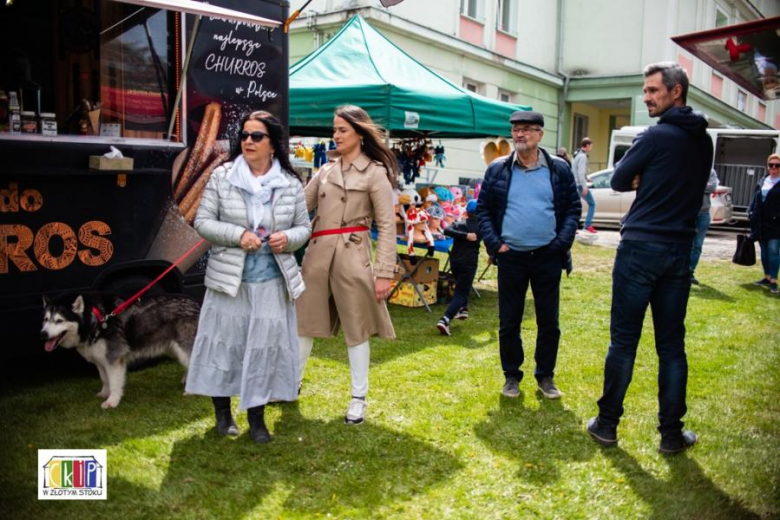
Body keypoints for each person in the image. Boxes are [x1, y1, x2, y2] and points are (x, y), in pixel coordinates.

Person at [587, 62, 713, 454]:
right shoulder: (703, 141)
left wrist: (645, 177)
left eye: (653, 90)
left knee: (624, 341)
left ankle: (607, 424)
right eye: (644, 90)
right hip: (679, 250)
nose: (646, 97)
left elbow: (621, 179)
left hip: (642, 248)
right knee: (672, 346)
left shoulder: (654, 138)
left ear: (676, 91)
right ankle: (672, 435)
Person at [186, 111, 311, 444]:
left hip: (272, 281)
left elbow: (304, 227)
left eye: (257, 136)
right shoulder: (222, 176)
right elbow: (203, 222)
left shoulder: (291, 182)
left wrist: (289, 238)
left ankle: (257, 418)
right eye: (244, 135)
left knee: (264, 350)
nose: (248, 142)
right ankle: (223, 414)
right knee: (224, 348)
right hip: (230, 281)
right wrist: (238, 235)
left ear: (273, 144)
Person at [297, 105, 397, 425]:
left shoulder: (374, 173)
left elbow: (387, 224)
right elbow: (299, 206)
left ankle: (358, 398)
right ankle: (291, 385)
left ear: (359, 132)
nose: (335, 135)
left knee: (357, 329)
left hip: (353, 256)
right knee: (303, 322)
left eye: (342, 129)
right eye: (334, 129)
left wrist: (384, 272)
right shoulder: (325, 170)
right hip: (316, 255)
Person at [476, 110, 581, 400]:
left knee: (549, 322)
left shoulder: (558, 168)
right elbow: (483, 210)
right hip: (511, 257)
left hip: (548, 255)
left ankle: (545, 376)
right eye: (515, 129)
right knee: (509, 321)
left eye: (526, 129)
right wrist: (496, 245)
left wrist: (560, 244)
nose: (519, 134)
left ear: (540, 134)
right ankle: (511, 376)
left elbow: (572, 209)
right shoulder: (498, 168)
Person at [437, 198, 482, 336]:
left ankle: (463, 309)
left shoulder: (459, 223)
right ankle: (445, 319)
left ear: (467, 212)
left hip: (455, 261)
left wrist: (463, 235)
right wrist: (467, 236)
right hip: (469, 262)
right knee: (461, 292)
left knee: (462, 286)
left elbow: (446, 230)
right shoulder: (482, 226)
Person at [749, 153, 780, 294]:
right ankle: (766, 277)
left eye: (777, 165)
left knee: (773, 249)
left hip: (776, 222)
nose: (773, 167)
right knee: (764, 251)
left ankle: (774, 280)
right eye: (771, 165)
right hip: (761, 221)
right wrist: (750, 212)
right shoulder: (763, 180)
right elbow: (755, 198)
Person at [689, 169, 719, 285]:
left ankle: (690, 272)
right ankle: (680, 272)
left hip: (704, 213)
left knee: (697, 245)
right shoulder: (687, 169)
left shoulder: (710, 172)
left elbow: (712, 187)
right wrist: (703, 184)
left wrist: (696, 184)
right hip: (689, 212)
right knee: (685, 244)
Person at [572, 137, 597, 234]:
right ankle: (587, 225)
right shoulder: (583, 157)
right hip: (580, 185)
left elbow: (578, 171)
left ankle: (573, 227)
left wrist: (587, 178)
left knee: (575, 206)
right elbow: (580, 172)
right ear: (587, 146)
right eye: (591, 146)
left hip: (575, 183)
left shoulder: (578, 154)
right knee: (592, 204)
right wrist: (584, 186)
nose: (591, 148)